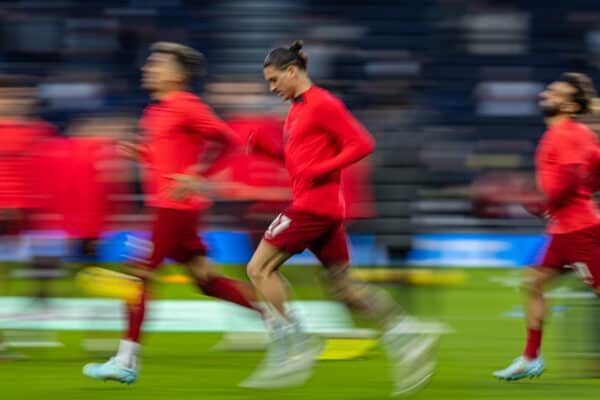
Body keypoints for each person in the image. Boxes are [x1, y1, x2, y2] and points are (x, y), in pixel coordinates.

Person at [239, 40, 437, 394]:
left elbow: (363, 143)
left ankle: (296, 342)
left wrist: (323, 167)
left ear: (291, 71)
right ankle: (406, 335)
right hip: (324, 209)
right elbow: (300, 165)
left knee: (258, 269)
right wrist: (269, 151)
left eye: (273, 80)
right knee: (344, 289)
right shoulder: (297, 109)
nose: (272, 88)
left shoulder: (323, 103)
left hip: (311, 208)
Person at [83, 42, 262, 384]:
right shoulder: (155, 111)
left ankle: (126, 361)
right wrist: (144, 155)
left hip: (173, 209)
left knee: (138, 277)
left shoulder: (186, 105)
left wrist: (198, 176)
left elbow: (228, 140)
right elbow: (168, 158)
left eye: (157, 64)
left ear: (178, 75)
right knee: (206, 282)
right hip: (171, 209)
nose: (148, 68)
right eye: (149, 63)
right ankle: (280, 321)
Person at [494, 72, 600, 380]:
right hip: (564, 232)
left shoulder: (563, 134)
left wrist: (541, 203)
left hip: (578, 232)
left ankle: (531, 357)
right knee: (533, 283)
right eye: (549, 90)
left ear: (569, 106)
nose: (546, 94)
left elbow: (567, 179)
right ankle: (531, 358)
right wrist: (584, 191)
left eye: (555, 93)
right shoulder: (576, 134)